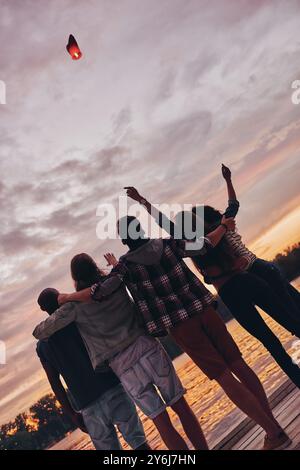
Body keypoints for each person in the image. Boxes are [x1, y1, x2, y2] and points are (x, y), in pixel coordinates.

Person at [101, 210, 291, 450]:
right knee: (238, 364)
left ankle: (274, 432)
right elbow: (204, 244)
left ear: (124, 239)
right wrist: (222, 226)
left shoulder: (126, 267)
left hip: (182, 327)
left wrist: (113, 268)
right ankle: (273, 429)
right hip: (205, 311)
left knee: (224, 376)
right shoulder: (167, 242)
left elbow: (101, 292)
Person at [33, 255, 208, 451]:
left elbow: (39, 332)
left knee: (161, 421)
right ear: (95, 266)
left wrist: (65, 298)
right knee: (181, 406)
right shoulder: (115, 282)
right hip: (145, 347)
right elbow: (123, 273)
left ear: (75, 278)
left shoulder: (74, 308)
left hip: (122, 366)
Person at [36, 288, 149, 451]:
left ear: (43, 309)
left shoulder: (43, 346)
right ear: (60, 298)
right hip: (112, 387)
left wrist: (73, 414)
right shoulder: (79, 319)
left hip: (87, 405)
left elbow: (55, 383)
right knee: (140, 445)